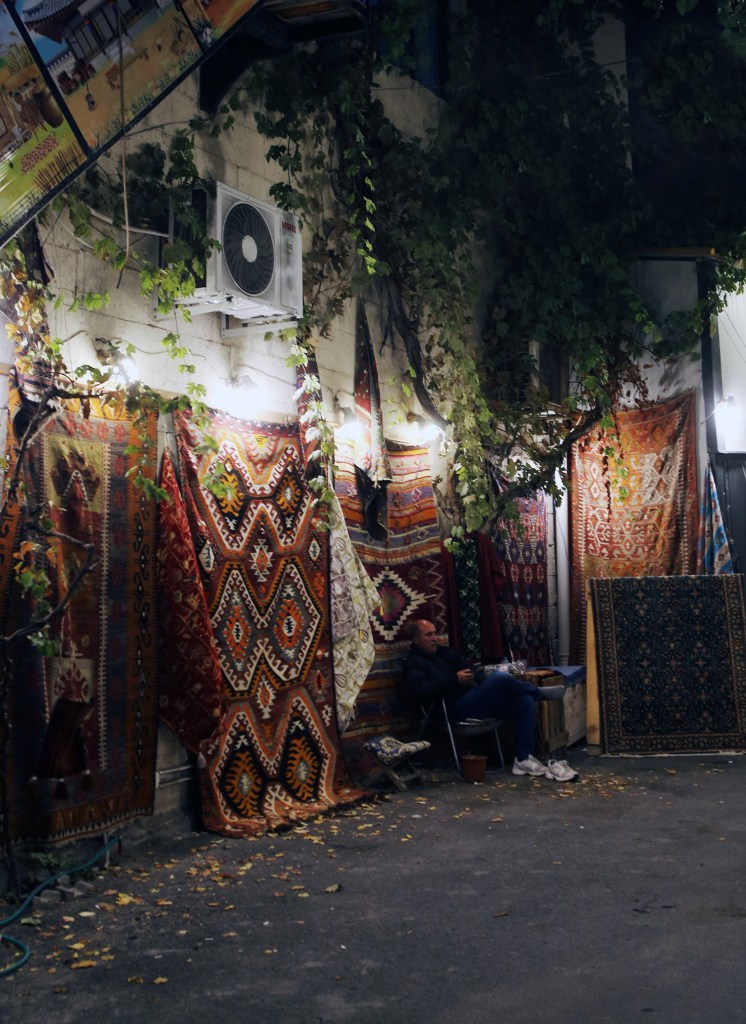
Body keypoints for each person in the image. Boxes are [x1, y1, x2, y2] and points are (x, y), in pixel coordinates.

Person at [403, 619, 576, 780]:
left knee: (523, 700)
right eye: (428, 635)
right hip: (452, 709)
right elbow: (421, 691)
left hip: (473, 698)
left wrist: (472, 676)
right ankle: (538, 692)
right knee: (499, 679)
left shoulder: (445, 654)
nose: (434, 638)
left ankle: (522, 760)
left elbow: (468, 670)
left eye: (435, 633)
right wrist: (454, 680)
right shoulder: (413, 662)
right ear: (416, 640)